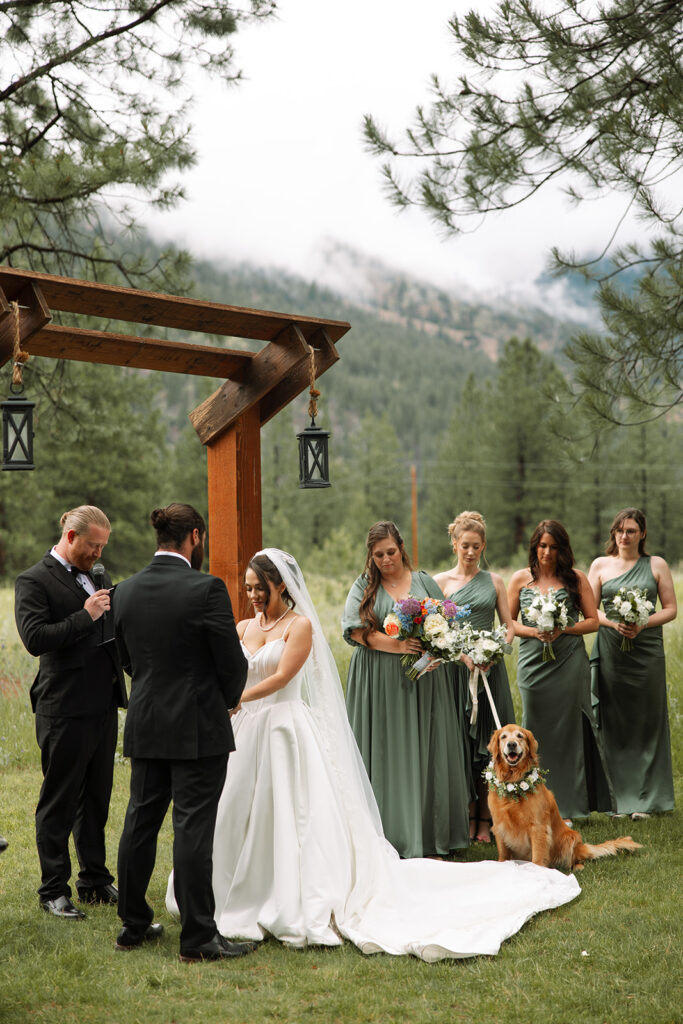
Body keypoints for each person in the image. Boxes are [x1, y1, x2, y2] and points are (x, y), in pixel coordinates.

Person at [170, 547, 580, 961]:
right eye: (248, 588)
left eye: (260, 588)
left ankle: (290, 893)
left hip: (282, 730)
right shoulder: (242, 627)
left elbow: (281, 677)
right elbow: (224, 667)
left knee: (290, 815)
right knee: (233, 809)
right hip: (244, 731)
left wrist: (234, 697)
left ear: (281, 586)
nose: (253, 595)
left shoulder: (300, 626)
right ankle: (228, 889)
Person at [114, 503, 253, 962]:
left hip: (147, 720)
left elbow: (127, 660)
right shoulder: (206, 588)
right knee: (193, 828)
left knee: (140, 821)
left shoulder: (126, 590)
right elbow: (231, 661)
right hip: (197, 726)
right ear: (195, 536)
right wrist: (229, 697)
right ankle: (197, 938)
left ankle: (133, 925)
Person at [14, 505, 126, 920]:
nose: (98, 554)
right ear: (72, 537)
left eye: (103, 547)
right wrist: (86, 615)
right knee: (60, 800)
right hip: (62, 706)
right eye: (93, 546)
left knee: (96, 799)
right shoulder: (33, 580)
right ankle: (53, 890)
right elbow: (36, 638)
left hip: (102, 703)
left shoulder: (100, 577)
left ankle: (94, 880)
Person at [342, 522, 471, 859]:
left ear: (401, 548)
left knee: (427, 748)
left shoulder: (425, 582)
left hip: (426, 679)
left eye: (391, 552)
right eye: (379, 554)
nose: (386, 559)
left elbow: (446, 625)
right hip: (379, 681)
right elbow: (355, 632)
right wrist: (397, 647)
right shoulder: (364, 587)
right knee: (388, 750)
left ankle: (430, 836)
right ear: (371, 556)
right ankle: (388, 835)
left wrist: (437, 652)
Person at [508, 520, 613, 823]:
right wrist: (533, 632)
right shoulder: (519, 580)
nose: (547, 552)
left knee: (569, 734)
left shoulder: (576, 579)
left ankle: (569, 806)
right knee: (534, 730)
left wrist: (563, 628)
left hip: (568, 663)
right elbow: (509, 623)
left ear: (562, 549)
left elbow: (593, 621)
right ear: (534, 547)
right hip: (533, 665)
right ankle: (534, 803)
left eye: (554, 547)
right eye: (542, 546)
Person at [588, 508, 676, 819]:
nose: (625, 536)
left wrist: (643, 622)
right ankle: (617, 798)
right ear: (613, 533)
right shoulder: (600, 565)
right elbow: (590, 610)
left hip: (647, 652)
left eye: (631, 531)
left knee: (646, 721)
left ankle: (648, 799)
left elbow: (671, 609)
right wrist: (614, 625)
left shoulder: (656, 565)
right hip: (612, 652)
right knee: (614, 723)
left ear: (642, 534)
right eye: (620, 530)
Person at [434, 511, 515, 844]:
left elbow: (509, 625)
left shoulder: (495, 581)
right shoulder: (439, 583)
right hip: (455, 675)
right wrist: (459, 654)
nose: (470, 552)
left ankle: (487, 820)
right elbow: (434, 629)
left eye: (477, 547)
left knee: (488, 748)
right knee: (458, 748)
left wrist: (494, 651)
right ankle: (466, 816)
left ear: (483, 547)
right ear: (454, 543)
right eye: (465, 545)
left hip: (488, 674)